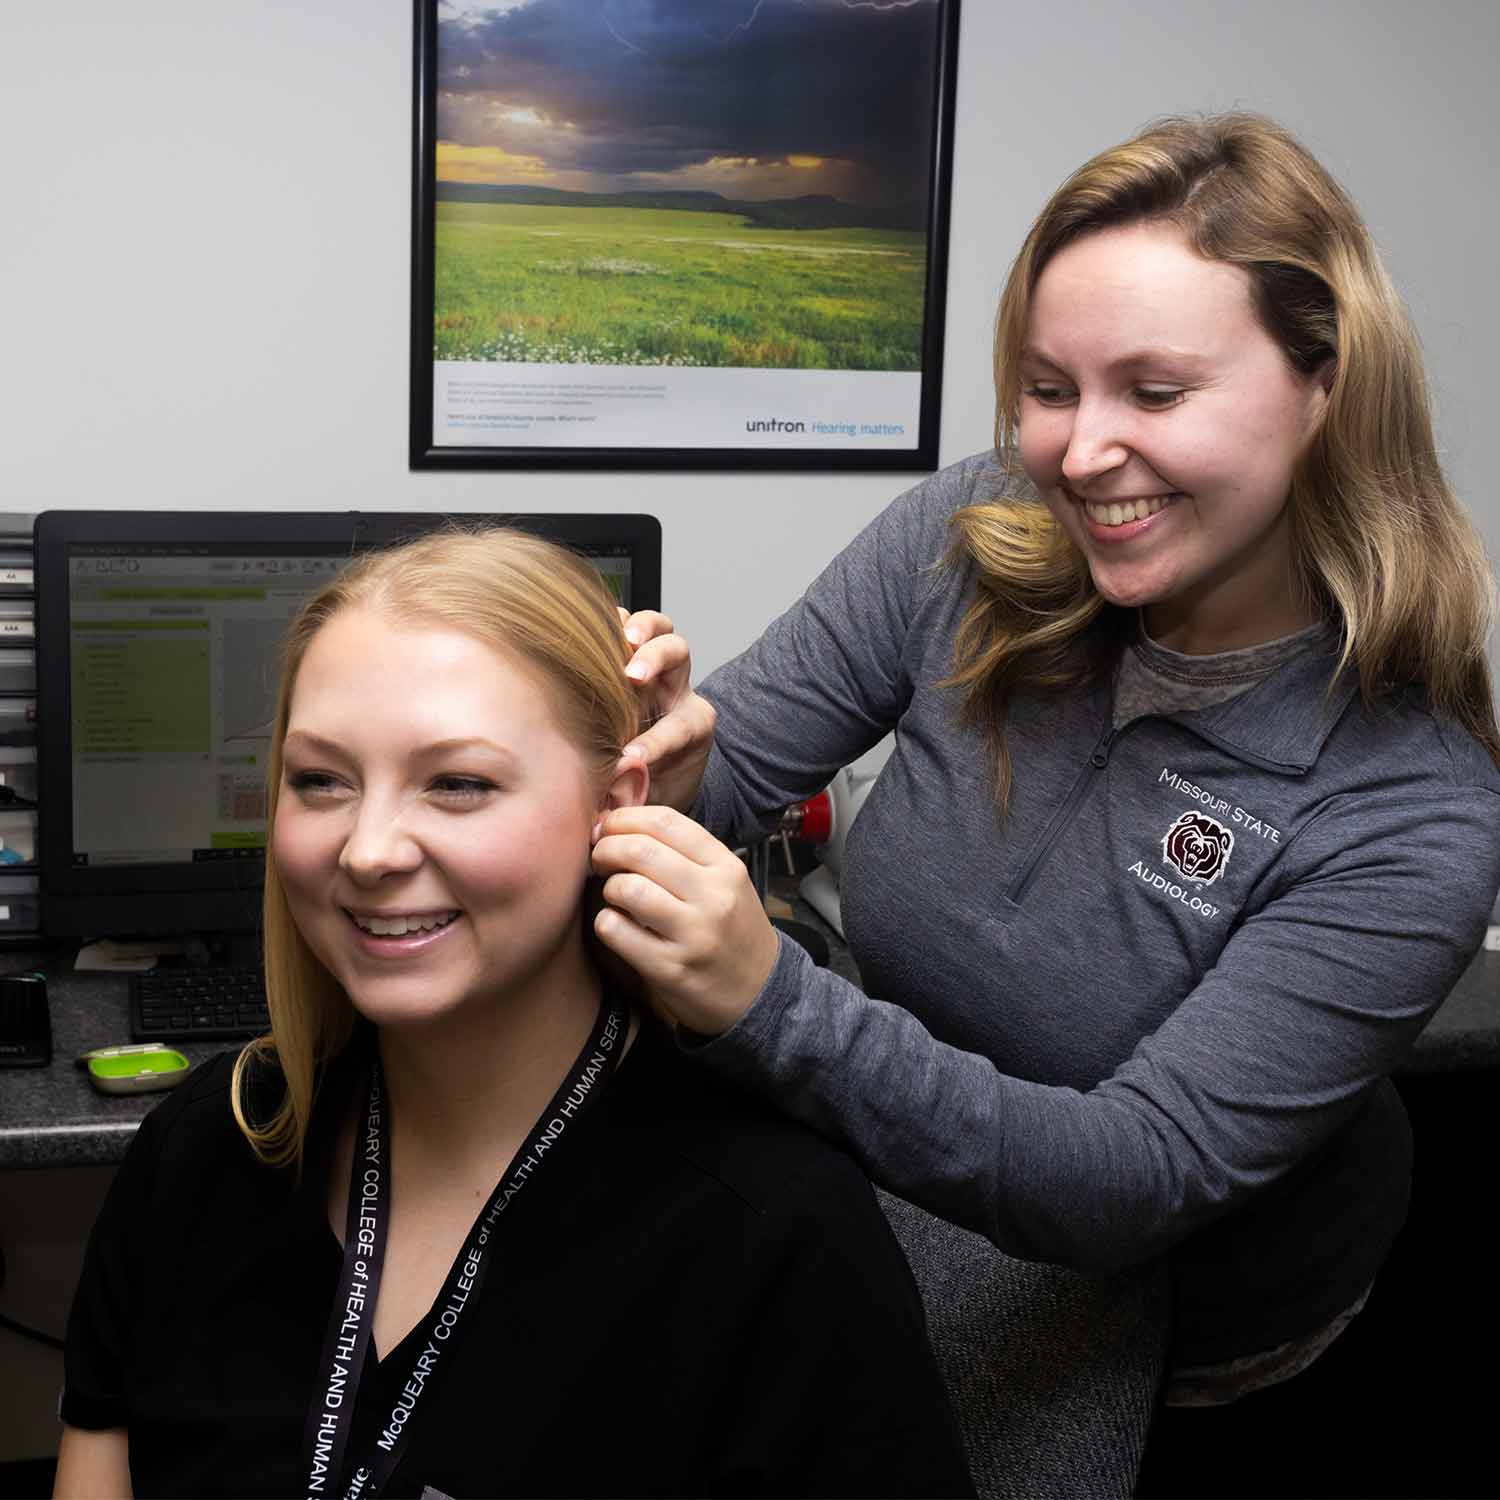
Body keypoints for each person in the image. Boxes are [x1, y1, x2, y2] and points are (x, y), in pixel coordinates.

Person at [591, 113, 1500, 1494]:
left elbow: (1126, 1178)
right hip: (914, 1207)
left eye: (1156, 389)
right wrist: (643, 753)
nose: (1081, 455)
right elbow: (736, 769)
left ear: (1327, 387)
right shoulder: (970, 541)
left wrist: (767, 998)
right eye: (1051, 388)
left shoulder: (1413, 809)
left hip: (1205, 1334)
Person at [54, 529, 974, 1500]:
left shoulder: (778, 1242)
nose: (367, 851)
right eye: (321, 780)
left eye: (459, 784)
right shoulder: (202, 1152)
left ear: (613, 807)